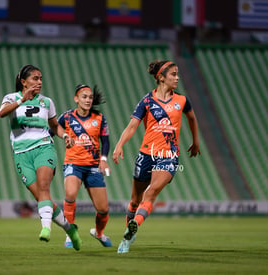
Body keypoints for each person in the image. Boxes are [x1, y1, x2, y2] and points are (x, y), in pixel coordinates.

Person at [113, 60, 201, 253]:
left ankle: (132, 228)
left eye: (178, 74)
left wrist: (195, 141)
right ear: (161, 77)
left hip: (169, 155)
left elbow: (192, 118)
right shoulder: (146, 101)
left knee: (151, 193)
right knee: (135, 200)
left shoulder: (182, 101)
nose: (177, 78)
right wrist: (119, 145)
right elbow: (132, 126)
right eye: (173, 74)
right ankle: (129, 233)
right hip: (146, 154)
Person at [0, 64, 82, 251]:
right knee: (42, 198)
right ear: (23, 81)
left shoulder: (47, 102)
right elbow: (2, 113)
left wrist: (65, 135)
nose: (39, 82)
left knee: (44, 188)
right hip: (20, 153)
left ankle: (46, 229)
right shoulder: (11, 98)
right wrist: (22, 100)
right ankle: (70, 230)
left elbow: (54, 126)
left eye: (41, 78)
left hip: (43, 147)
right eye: (35, 78)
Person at [58, 84, 112, 248]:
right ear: (76, 99)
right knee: (70, 194)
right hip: (73, 163)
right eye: (84, 97)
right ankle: (70, 233)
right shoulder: (66, 117)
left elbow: (106, 141)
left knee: (103, 210)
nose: (88, 100)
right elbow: (53, 130)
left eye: (90, 97)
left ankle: (99, 233)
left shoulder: (99, 118)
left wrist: (103, 158)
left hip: (93, 167)